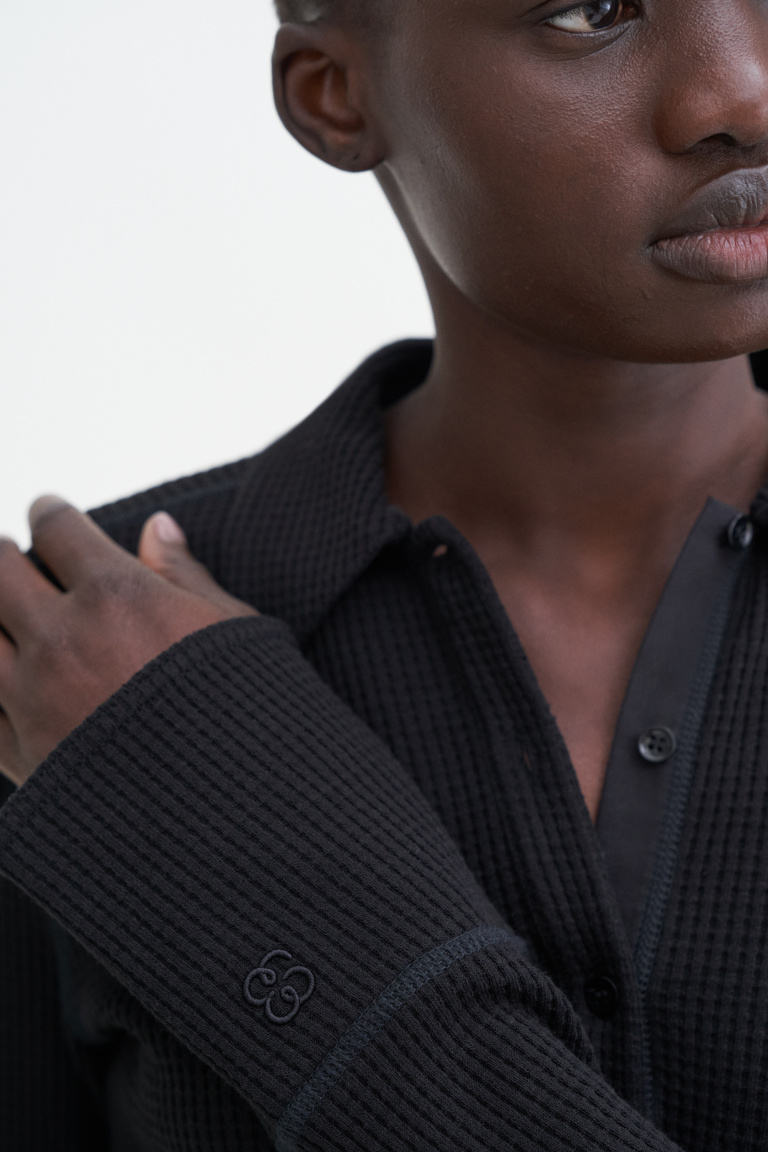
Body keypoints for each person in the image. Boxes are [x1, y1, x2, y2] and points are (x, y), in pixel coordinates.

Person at [2, 0, 768, 1148]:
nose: (745, 95)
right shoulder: (74, 663)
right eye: (589, 9)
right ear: (335, 93)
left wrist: (231, 850)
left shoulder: (144, 740)